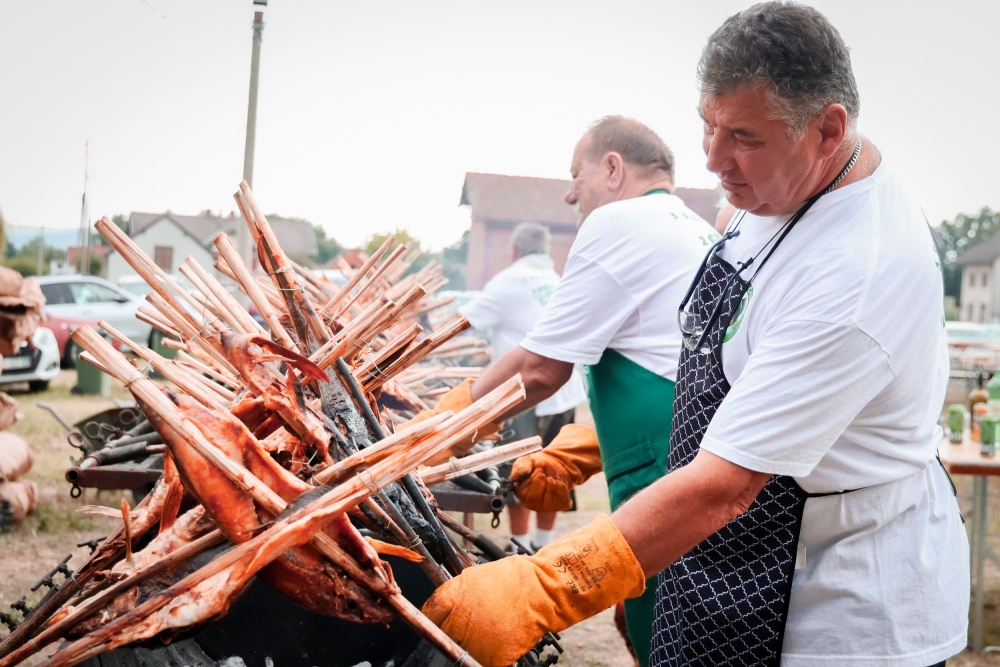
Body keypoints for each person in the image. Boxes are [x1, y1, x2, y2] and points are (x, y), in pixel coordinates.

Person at [421, 4, 970, 667]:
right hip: (744, 551)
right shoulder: (780, 191)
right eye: (707, 127)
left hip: (834, 602)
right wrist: (590, 447)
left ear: (828, 129)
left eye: (742, 136)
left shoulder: (858, 270)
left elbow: (725, 486)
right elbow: (737, 367)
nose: (713, 160)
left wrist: (548, 585)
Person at [438, 115, 717, 666]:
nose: (571, 194)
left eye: (576, 174)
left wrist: (442, 429)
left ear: (613, 168)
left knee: (671, 645)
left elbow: (541, 370)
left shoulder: (620, 222)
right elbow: (674, 368)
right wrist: (591, 448)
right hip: (698, 466)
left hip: (668, 482)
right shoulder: (698, 230)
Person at [457, 222, 587, 551]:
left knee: (519, 470)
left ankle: (519, 545)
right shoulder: (559, 281)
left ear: (515, 250)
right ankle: (542, 545)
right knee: (554, 471)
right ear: (545, 250)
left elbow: (465, 321)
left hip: (524, 391)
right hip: (565, 390)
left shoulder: (508, 281)